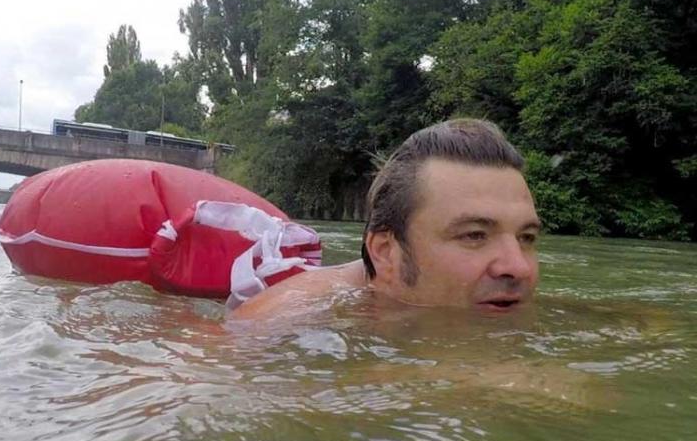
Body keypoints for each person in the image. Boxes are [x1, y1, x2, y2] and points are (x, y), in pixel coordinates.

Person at [230, 118, 542, 319]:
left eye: (526, 237)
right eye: (474, 235)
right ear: (385, 252)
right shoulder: (287, 315)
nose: (518, 267)